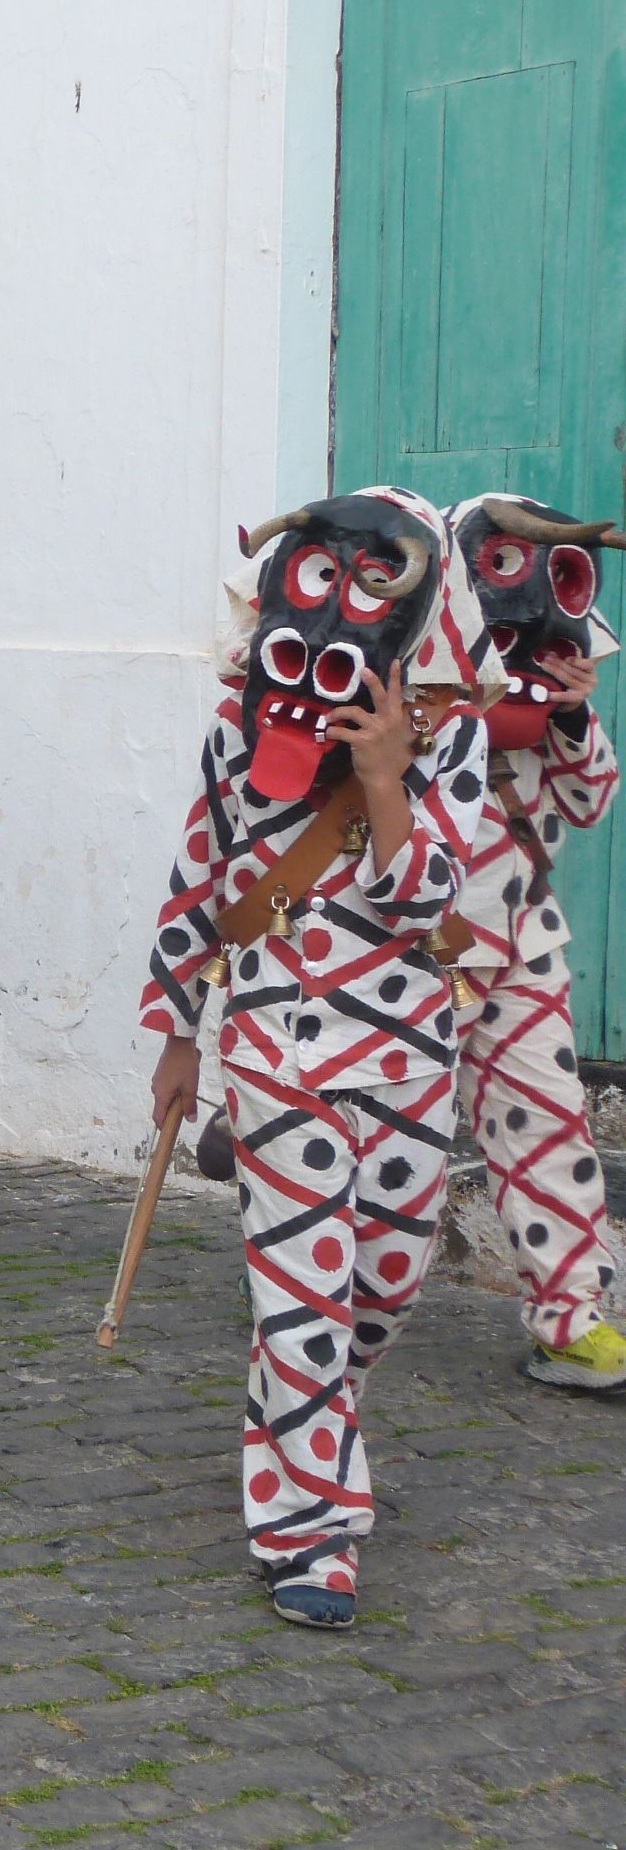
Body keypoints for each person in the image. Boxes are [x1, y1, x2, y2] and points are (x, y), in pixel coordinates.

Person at [141, 487, 494, 1629]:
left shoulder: (458, 737)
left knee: (375, 1300)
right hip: (276, 1058)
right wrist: (175, 1039)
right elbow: (197, 889)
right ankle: (311, 1535)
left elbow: (430, 901)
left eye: (370, 584)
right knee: (302, 1308)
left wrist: (386, 779)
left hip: (405, 1065)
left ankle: (295, 1416)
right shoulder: (230, 735)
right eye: (318, 575)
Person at [442, 496, 626, 1389]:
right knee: (376, 1132)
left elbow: (592, 803)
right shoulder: (409, 669)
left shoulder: (558, 691)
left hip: (523, 938)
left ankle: (570, 1322)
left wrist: (570, 717)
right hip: (411, 949)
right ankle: (317, 1287)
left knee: (549, 1122)